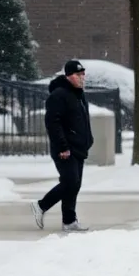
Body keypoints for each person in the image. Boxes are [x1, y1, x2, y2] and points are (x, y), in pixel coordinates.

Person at [32, 60, 94, 232]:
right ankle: (41, 206)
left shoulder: (79, 95)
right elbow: (53, 123)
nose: (81, 78)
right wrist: (62, 147)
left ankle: (69, 221)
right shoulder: (59, 95)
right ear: (68, 76)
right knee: (70, 182)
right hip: (65, 150)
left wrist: (88, 140)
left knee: (74, 185)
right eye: (77, 75)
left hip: (79, 147)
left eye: (83, 74)